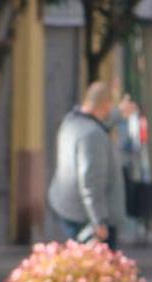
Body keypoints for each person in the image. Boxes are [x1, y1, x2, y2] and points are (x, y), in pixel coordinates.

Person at [47, 82, 127, 251]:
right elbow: (91, 182)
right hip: (87, 216)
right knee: (99, 271)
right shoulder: (93, 135)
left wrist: (119, 114)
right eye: (109, 108)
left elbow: (98, 121)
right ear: (105, 106)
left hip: (66, 206)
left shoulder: (71, 121)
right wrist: (99, 221)